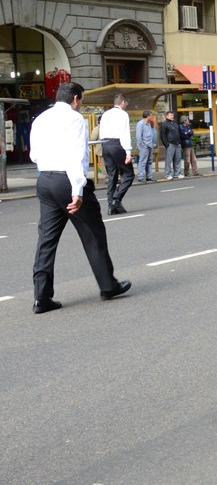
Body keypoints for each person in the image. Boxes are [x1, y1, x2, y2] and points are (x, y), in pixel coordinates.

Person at [30, 82, 131, 314]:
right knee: (92, 233)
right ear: (75, 99)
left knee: (46, 239)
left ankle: (41, 297)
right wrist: (77, 190)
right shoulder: (75, 119)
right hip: (67, 180)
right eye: (81, 100)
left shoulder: (40, 118)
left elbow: (34, 155)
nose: (81, 104)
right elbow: (77, 156)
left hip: (44, 180)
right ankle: (108, 285)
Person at [99, 94, 135, 214]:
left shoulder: (106, 114)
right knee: (129, 174)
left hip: (105, 144)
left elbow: (101, 131)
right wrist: (128, 152)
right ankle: (116, 199)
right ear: (123, 102)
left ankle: (111, 206)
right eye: (126, 104)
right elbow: (125, 133)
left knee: (112, 175)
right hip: (117, 144)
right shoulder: (123, 114)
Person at [159, 110, 182, 180]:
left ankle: (177, 173)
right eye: (171, 115)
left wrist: (179, 142)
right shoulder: (165, 124)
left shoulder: (175, 124)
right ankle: (167, 174)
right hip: (170, 144)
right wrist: (167, 144)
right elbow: (162, 135)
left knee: (177, 159)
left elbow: (178, 133)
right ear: (167, 116)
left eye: (173, 115)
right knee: (169, 160)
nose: (172, 116)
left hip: (177, 144)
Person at [135, 111, 155, 182]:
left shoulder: (148, 123)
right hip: (144, 146)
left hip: (150, 145)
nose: (152, 117)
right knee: (142, 161)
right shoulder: (140, 124)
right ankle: (140, 177)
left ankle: (149, 176)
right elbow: (138, 136)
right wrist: (142, 145)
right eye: (151, 115)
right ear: (148, 116)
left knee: (149, 161)